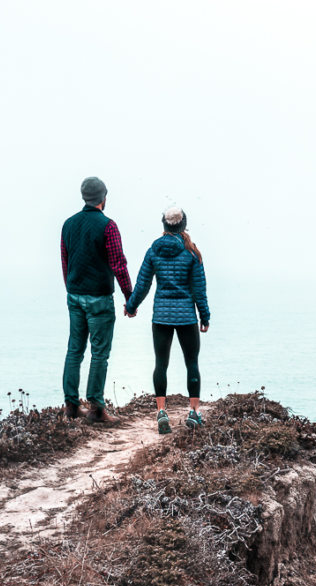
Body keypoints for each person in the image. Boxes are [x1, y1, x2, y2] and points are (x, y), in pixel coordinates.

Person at [125, 206, 210, 433]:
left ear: (164, 224)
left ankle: (161, 412)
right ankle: (194, 412)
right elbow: (199, 290)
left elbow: (143, 283)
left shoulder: (154, 250)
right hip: (186, 318)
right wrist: (205, 316)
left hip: (161, 316)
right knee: (191, 363)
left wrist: (131, 306)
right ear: (183, 225)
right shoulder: (192, 253)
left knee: (160, 363)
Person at [60, 176, 133, 423]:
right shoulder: (108, 226)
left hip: (75, 295)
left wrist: (71, 287)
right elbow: (118, 264)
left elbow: (65, 262)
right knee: (99, 353)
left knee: (74, 350)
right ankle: (96, 408)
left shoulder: (68, 224)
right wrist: (129, 296)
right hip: (99, 298)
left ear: (84, 197)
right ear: (103, 197)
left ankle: (70, 405)